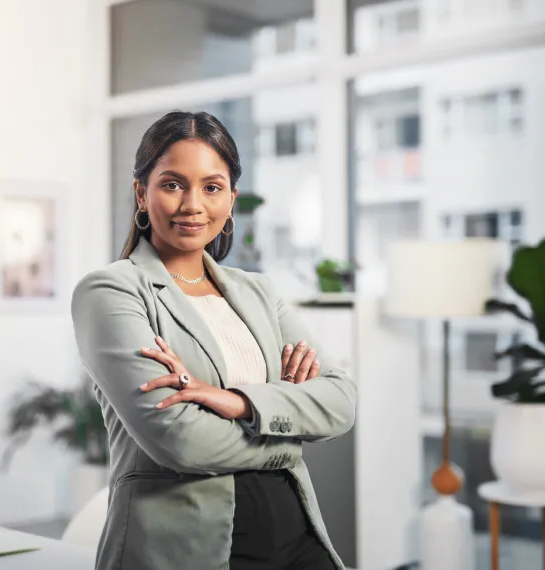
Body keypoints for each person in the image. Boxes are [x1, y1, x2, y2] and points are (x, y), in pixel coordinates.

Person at [71, 111, 357, 570]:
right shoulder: (112, 291)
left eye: (211, 186)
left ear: (230, 199)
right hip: (185, 548)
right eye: (172, 184)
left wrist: (237, 402)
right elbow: (179, 439)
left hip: (297, 540)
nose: (192, 205)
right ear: (142, 193)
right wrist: (289, 434)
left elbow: (341, 400)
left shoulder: (258, 292)